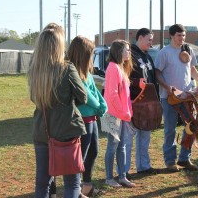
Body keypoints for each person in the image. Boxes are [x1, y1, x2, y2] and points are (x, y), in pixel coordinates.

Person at [28, 23, 87, 198]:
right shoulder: (67, 68)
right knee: (72, 183)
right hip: (66, 130)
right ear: (59, 45)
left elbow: (34, 98)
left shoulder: (34, 71)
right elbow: (82, 97)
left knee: (42, 183)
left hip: (42, 132)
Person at [154, 24, 198, 172]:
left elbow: (192, 69)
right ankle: (170, 161)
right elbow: (157, 73)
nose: (182, 38)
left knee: (191, 127)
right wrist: (167, 87)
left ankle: (185, 158)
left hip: (187, 96)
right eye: (179, 35)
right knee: (170, 129)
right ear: (171, 36)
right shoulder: (164, 53)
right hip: (169, 97)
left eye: (184, 35)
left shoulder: (188, 50)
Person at [67, 36, 107, 197]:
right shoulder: (73, 71)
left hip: (92, 118)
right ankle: (75, 189)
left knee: (93, 152)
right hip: (82, 119)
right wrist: (99, 106)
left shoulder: (86, 71)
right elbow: (86, 94)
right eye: (90, 52)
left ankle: (87, 185)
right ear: (83, 53)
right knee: (80, 156)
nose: (92, 55)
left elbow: (94, 90)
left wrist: (102, 103)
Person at [119, 28, 159, 177]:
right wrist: (135, 83)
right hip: (133, 101)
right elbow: (121, 78)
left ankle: (143, 166)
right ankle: (124, 170)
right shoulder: (130, 55)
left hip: (147, 103)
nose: (151, 42)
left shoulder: (147, 56)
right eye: (149, 39)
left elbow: (153, 79)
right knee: (128, 138)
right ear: (140, 38)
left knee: (145, 135)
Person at [102, 39, 136, 188]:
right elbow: (112, 94)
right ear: (118, 51)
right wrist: (122, 112)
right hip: (113, 114)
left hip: (121, 114)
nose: (129, 52)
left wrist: (126, 111)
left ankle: (122, 176)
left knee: (122, 146)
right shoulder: (113, 68)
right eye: (126, 50)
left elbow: (124, 94)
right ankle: (109, 178)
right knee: (112, 146)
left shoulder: (120, 67)